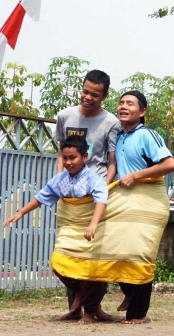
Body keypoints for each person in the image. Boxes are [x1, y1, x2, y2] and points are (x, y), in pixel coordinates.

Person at [3, 136, 108, 324]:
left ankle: (89, 313)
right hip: (68, 228)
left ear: (85, 157)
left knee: (91, 271)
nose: (68, 162)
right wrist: (20, 213)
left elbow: (101, 200)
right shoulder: (60, 179)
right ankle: (79, 298)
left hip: (90, 230)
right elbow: (42, 196)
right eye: (65, 158)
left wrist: (93, 224)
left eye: (73, 158)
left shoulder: (94, 179)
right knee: (58, 263)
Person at [55, 69, 120, 321]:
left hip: (95, 197)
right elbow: (61, 154)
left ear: (104, 96)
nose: (88, 97)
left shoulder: (111, 123)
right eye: (85, 91)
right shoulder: (65, 116)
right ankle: (78, 304)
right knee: (66, 251)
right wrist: (60, 182)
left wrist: (102, 188)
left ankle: (91, 309)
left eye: (95, 94)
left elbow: (112, 162)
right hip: (70, 196)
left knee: (95, 251)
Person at [115, 90, 174, 324]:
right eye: (121, 103)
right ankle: (130, 295)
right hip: (125, 203)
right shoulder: (120, 137)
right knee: (118, 249)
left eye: (130, 104)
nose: (123, 107)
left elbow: (170, 164)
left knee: (139, 253)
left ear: (142, 112)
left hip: (149, 203)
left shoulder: (148, 135)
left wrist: (136, 176)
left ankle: (138, 313)